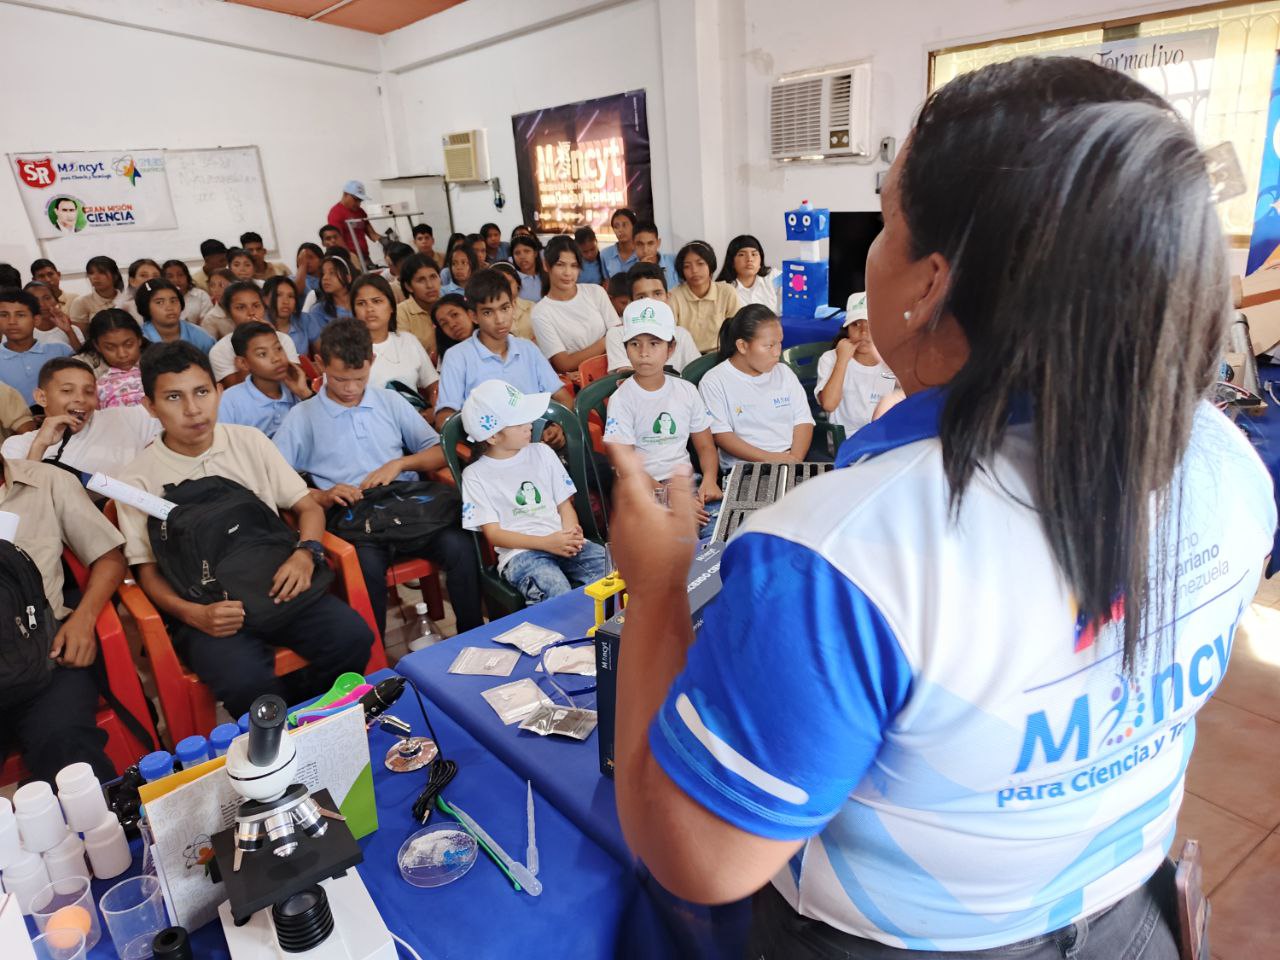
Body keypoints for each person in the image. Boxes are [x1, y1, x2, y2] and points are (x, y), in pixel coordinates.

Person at [607, 57, 1280, 960]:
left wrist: (653, 592)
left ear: (930, 283)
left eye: (884, 221)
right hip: (1131, 923)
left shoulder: (836, 556)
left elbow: (698, 859)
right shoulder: (1230, 463)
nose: (872, 252)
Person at [117, 341, 374, 716]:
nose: (193, 409)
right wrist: (191, 614)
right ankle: (281, 737)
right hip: (210, 611)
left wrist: (307, 553)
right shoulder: (136, 480)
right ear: (150, 407)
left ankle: (307, 714)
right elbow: (146, 571)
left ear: (218, 391)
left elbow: (307, 508)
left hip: (278, 586)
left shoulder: (249, 442)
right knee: (246, 683)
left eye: (202, 392)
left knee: (353, 638)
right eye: (174, 397)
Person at [272, 319, 483, 637]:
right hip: (354, 515)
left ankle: (472, 637)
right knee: (364, 569)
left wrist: (399, 464)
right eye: (340, 379)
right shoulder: (302, 417)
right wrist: (323, 495)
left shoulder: (389, 401)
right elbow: (277, 482)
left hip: (409, 507)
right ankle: (375, 663)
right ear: (320, 364)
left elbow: (439, 452)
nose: (351, 388)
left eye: (360, 378)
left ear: (371, 361)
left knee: (461, 546)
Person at [0, 450, 127, 783]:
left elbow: (109, 558)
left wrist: (83, 619)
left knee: (69, 751)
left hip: (47, 653)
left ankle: (112, 830)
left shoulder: (48, 481)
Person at [460, 379, 608, 603]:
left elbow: (564, 504)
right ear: (493, 436)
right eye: (519, 422)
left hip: (562, 540)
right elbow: (494, 534)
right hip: (522, 554)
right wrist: (548, 543)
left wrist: (570, 534)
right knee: (557, 593)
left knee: (616, 574)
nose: (529, 425)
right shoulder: (476, 475)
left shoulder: (543, 453)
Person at [603, 299, 721, 533]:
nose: (644, 353)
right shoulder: (622, 399)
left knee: (722, 531)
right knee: (672, 542)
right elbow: (626, 465)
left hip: (687, 485)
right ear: (625, 347)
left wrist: (709, 479)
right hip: (643, 491)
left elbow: (706, 446)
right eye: (635, 343)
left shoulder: (686, 390)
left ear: (671, 348)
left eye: (654, 343)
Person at [435, 269, 571, 433]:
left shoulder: (528, 349)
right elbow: (445, 419)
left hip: (538, 438)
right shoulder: (457, 357)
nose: (500, 320)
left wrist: (559, 427)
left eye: (504, 308)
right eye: (487, 312)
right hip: (491, 447)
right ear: (474, 316)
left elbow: (564, 399)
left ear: (514, 305)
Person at [2, 356, 160, 477]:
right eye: (67, 390)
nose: (81, 399)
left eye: (89, 391)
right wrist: (40, 446)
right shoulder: (18, 446)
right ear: (41, 397)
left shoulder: (126, 418)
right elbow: (20, 503)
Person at [699, 304, 814, 470]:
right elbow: (722, 435)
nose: (777, 353)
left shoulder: (784, 373)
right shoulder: (714, 381)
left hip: (790, 459)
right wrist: (770, 459)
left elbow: (803, 421)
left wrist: (795, 459)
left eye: (779, 343)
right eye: (769, 346)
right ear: (742, 346)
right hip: (745, 468)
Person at [530, 235, 615, 381]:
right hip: (579, 382)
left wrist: (610, 339)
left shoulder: (595, 292)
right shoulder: (541, 312)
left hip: (614, 371)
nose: (568, 273)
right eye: (560, 264)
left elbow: (619, 335)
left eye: (574, 265)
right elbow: (563, 363)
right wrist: (605, 341)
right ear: (546, 265)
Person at [350, 273, 438, 411]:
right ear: (354, 311)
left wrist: (433, 410)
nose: (370, 309)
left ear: (391, 307)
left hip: (415, 423)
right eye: (361, 303)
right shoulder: (345, 350)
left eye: (377, 301)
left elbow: (434, 385)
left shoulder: (408, 341)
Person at [815, 293, 897, 435]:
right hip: (845, 441)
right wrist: (842, 360)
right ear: (847, 329)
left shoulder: (893, 361)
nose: (863, 332)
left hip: (882, 439)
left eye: (870, 324)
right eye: (856, 324)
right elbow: (828, 404)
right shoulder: (830, 359)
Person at [218, 321, 315, 438]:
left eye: (278, 349)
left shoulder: (297, 391)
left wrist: (304, 393)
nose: (276, 358)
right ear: (243, 363)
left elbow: (325, 430)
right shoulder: (229, 402)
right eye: (262, 354)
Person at [605, 262, 701, 374]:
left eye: (657, 294)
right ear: (631, 303)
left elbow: (696, 373)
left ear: (668, 297)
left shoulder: (681, 334)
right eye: (641, 297)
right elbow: (626, 376)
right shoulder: (617, 334)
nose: (650, 302)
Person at [209, 282, 299, 386]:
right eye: (241, 307)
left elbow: (294, 379)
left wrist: (272, 338)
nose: (251, 312)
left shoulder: (283, 339)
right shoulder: (220, 350)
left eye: (256, 306)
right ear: (228, 313)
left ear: (264, 308)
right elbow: (236, 390)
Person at [0, 288, 75, 404]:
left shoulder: (60, 350)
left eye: (20, 315)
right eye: (4, 315)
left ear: (36, 320)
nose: (11, 321)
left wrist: (70, 332)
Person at [668, 240, 739, 353]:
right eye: (687, 266)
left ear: (710, 265)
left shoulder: (727, 292)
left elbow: (738, 330)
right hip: (686, 357)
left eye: (700, 264)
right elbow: (670, 335)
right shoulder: (674, 296)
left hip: (721, 355)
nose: (694, 270)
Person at [82, 310, 146, 409]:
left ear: (139, 339)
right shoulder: (88, 373)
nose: (122, 354)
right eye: (110, 348)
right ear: (97, 346)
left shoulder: (158, 366)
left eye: (129, 345)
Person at [137, 278, 216, 354]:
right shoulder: (139, 338)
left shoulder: (200, 336)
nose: (169, 307)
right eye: (159, 302)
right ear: (145, 306)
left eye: (173, 301)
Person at [396, 254, 442, 358]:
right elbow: (405, 354)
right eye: (421, 280)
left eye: (433, 277)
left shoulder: (449, 305)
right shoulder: (401, 313)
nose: (430, 285)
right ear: (408, 286)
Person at [718, 234, 778, 312]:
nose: (749, 259)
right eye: (742, 255)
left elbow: (795, 285)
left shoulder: (772, 277)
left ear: (761, 260)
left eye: (754, 254)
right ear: (732, 261)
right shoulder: (724, 289)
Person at [327, 180, 380, 266]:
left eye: (360, 201)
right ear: (345, 195)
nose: (358, 204)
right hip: (349, 259)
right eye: (356, 200)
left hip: (365, 258)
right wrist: (353, 259)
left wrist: (386, 242)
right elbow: (337, 241)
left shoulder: (360, 212)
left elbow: (372, 234)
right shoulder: (335, 213)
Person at [301, 255, 354, 339]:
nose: (325, 278)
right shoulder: (318, 311)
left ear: (348, 278)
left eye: (332, 273)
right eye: (323, 274)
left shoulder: (361, 304)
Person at [263, 274, 313, 358]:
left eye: (291, 296)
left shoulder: (304, 319)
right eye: (278, 295)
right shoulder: (258, 325)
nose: (286, 302)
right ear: (265, 300)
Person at [69, 256, 125, 329]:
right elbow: (81, 337)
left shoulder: (128, 300)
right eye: (91, 273)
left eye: (102, 272)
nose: (95, 277)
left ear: (115, 276)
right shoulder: (81, 302)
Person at [24, 280, 82, 349]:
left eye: (47, 298)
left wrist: (69, 332)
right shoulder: (21, 331)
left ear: (56, 300)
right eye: (34, 300)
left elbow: (82, 357)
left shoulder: (73, 330)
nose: (41, 304)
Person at [490, 262, 536, 341]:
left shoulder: (532, 306)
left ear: (517, 283)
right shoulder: (489, 314)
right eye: (499, 284)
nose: (505, 287)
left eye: (509, 282)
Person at [162, 260, 214, 327]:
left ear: (187, 277)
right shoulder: (160, 299)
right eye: (170, 276)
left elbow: (206, 323)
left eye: (180, 275)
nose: (176, 280)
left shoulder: (201, 295)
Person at [632, 221, 679, 289]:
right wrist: (640, 270)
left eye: (650, 243)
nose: (645, 250)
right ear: (633, 245)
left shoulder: (674, 261)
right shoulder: (630, 270)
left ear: (658, 243)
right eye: (640, 244)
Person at [432, 293, 475, 361]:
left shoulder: (493, 340)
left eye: (455, 315)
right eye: (444, 323)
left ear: (470, 313)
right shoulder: (449, 356)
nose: (452, 325)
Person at [601, 208, 638, 278]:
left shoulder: (641, 252)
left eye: (624, 225)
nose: (620, 230)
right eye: (616, 226)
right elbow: (606, 281)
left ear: (634, 226)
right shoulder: (605, 254)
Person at [200, 268, 237, 340]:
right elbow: (210, 346)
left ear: (233, 284)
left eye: (221, 285)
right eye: (212, 285)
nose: (216, 290)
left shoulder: (246, 306)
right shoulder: (210, 318)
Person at [510, 234, 545, 303]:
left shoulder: (547, 275)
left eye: (527, 251)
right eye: (517, 253)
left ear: (535, 253)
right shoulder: (512, 280)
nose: (522, 256)